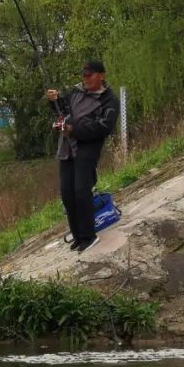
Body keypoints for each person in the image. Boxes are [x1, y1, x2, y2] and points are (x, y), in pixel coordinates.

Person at [46, 60, 120, 254]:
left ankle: (89, 235)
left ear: (101, 75)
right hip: (67, 147)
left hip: (87, 148)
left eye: (90, 75)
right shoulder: (75, 92)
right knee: (67, 192)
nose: (85, 79)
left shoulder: (110, 99)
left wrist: (75, 130)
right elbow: (63, 111)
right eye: (84, 76)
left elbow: (104, 127)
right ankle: (78, 236)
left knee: (81, 190)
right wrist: (54, 100)